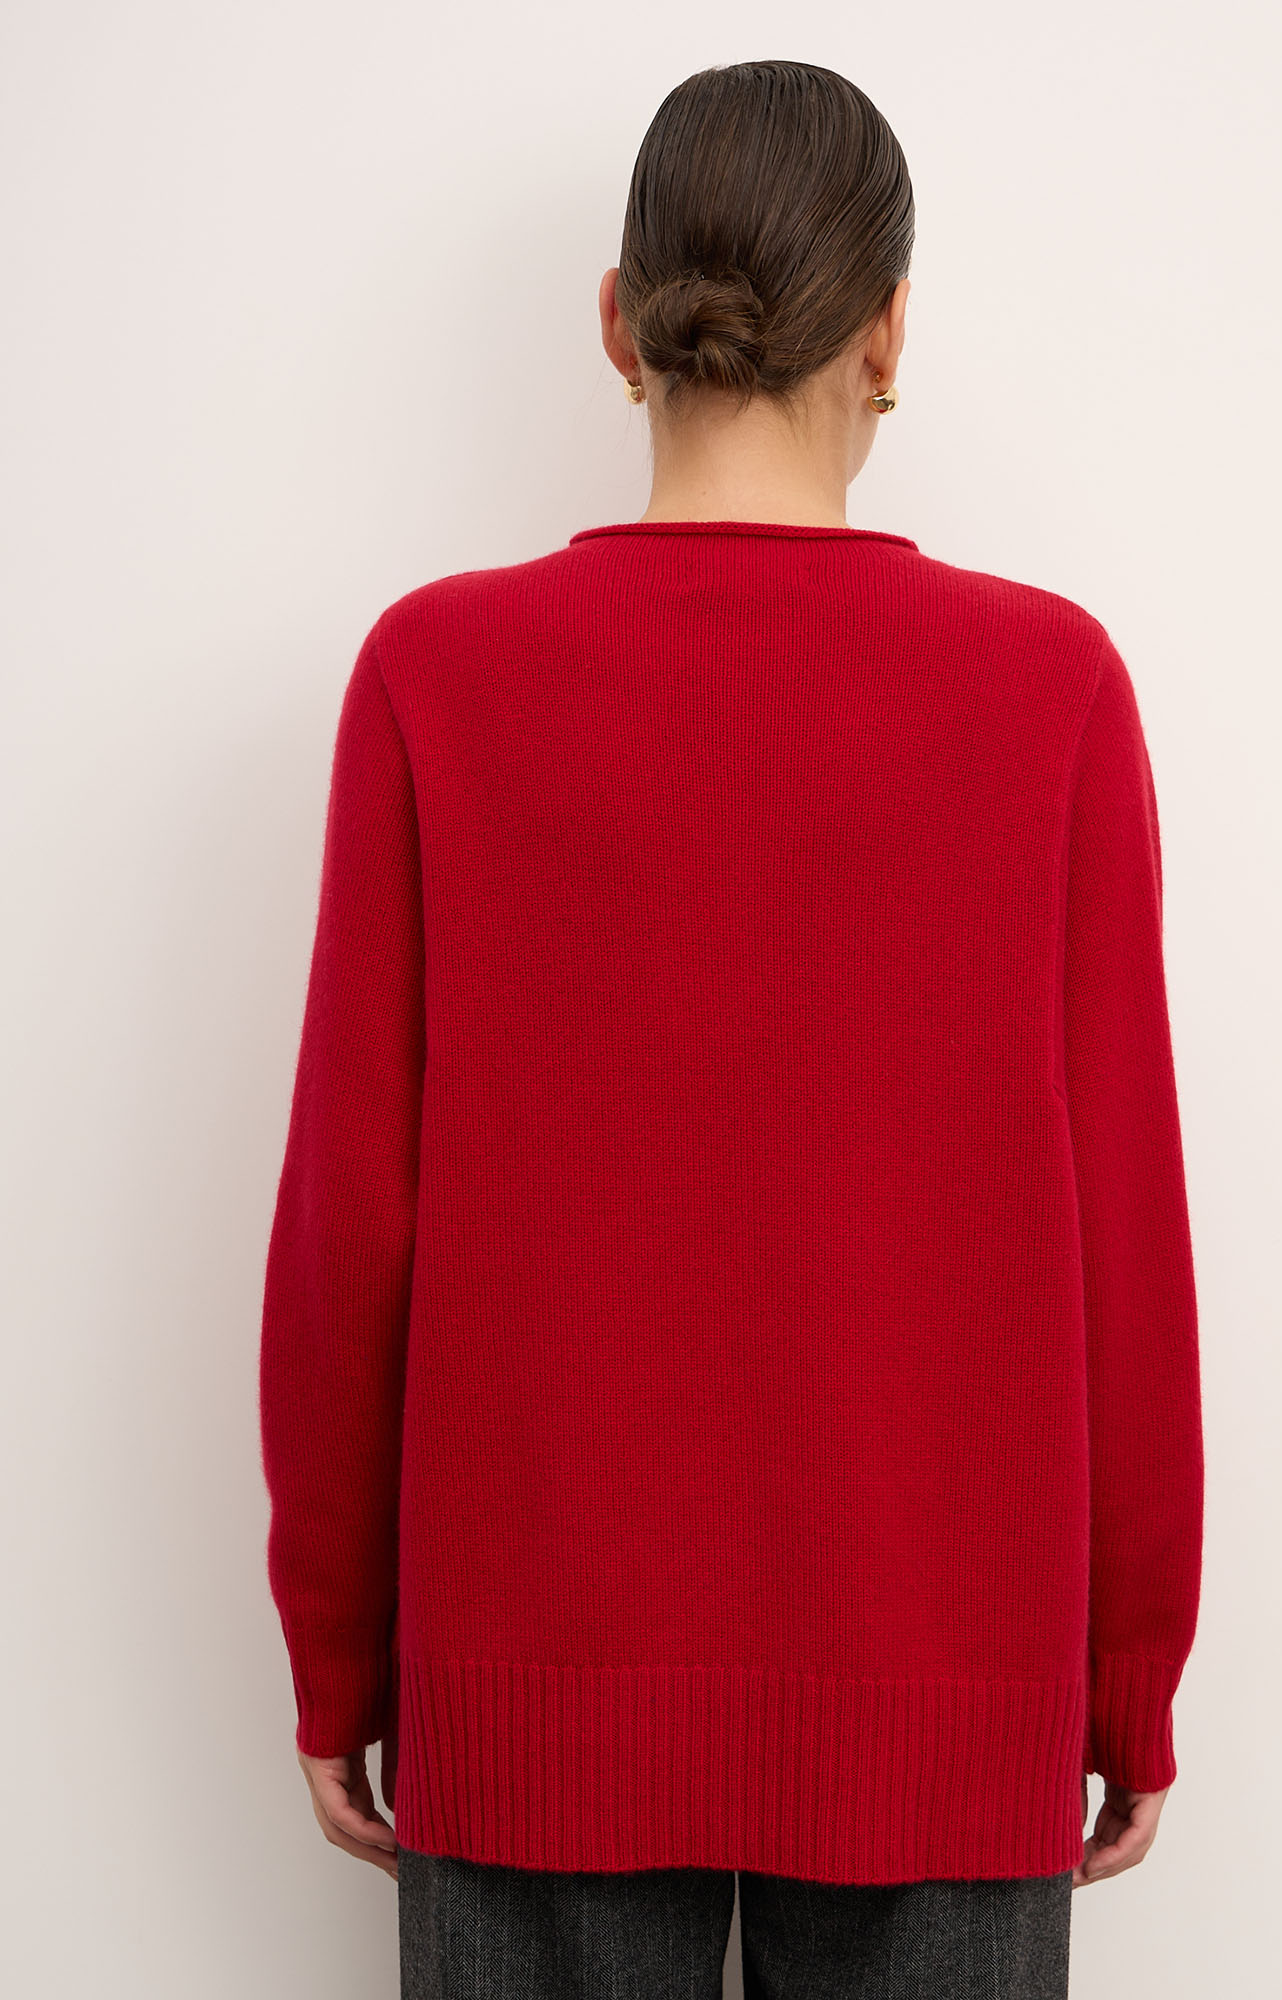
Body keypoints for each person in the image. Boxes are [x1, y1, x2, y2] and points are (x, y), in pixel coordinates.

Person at [258, 58, 1205, 2000]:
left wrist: (338, 1657)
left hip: (532, 1687)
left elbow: (352, 1228)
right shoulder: (1050, 692)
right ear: (891, 333)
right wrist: (1129, 1672)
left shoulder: (438, 677)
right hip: (945, 1694)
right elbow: (1128, 1236)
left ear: (618, 320)